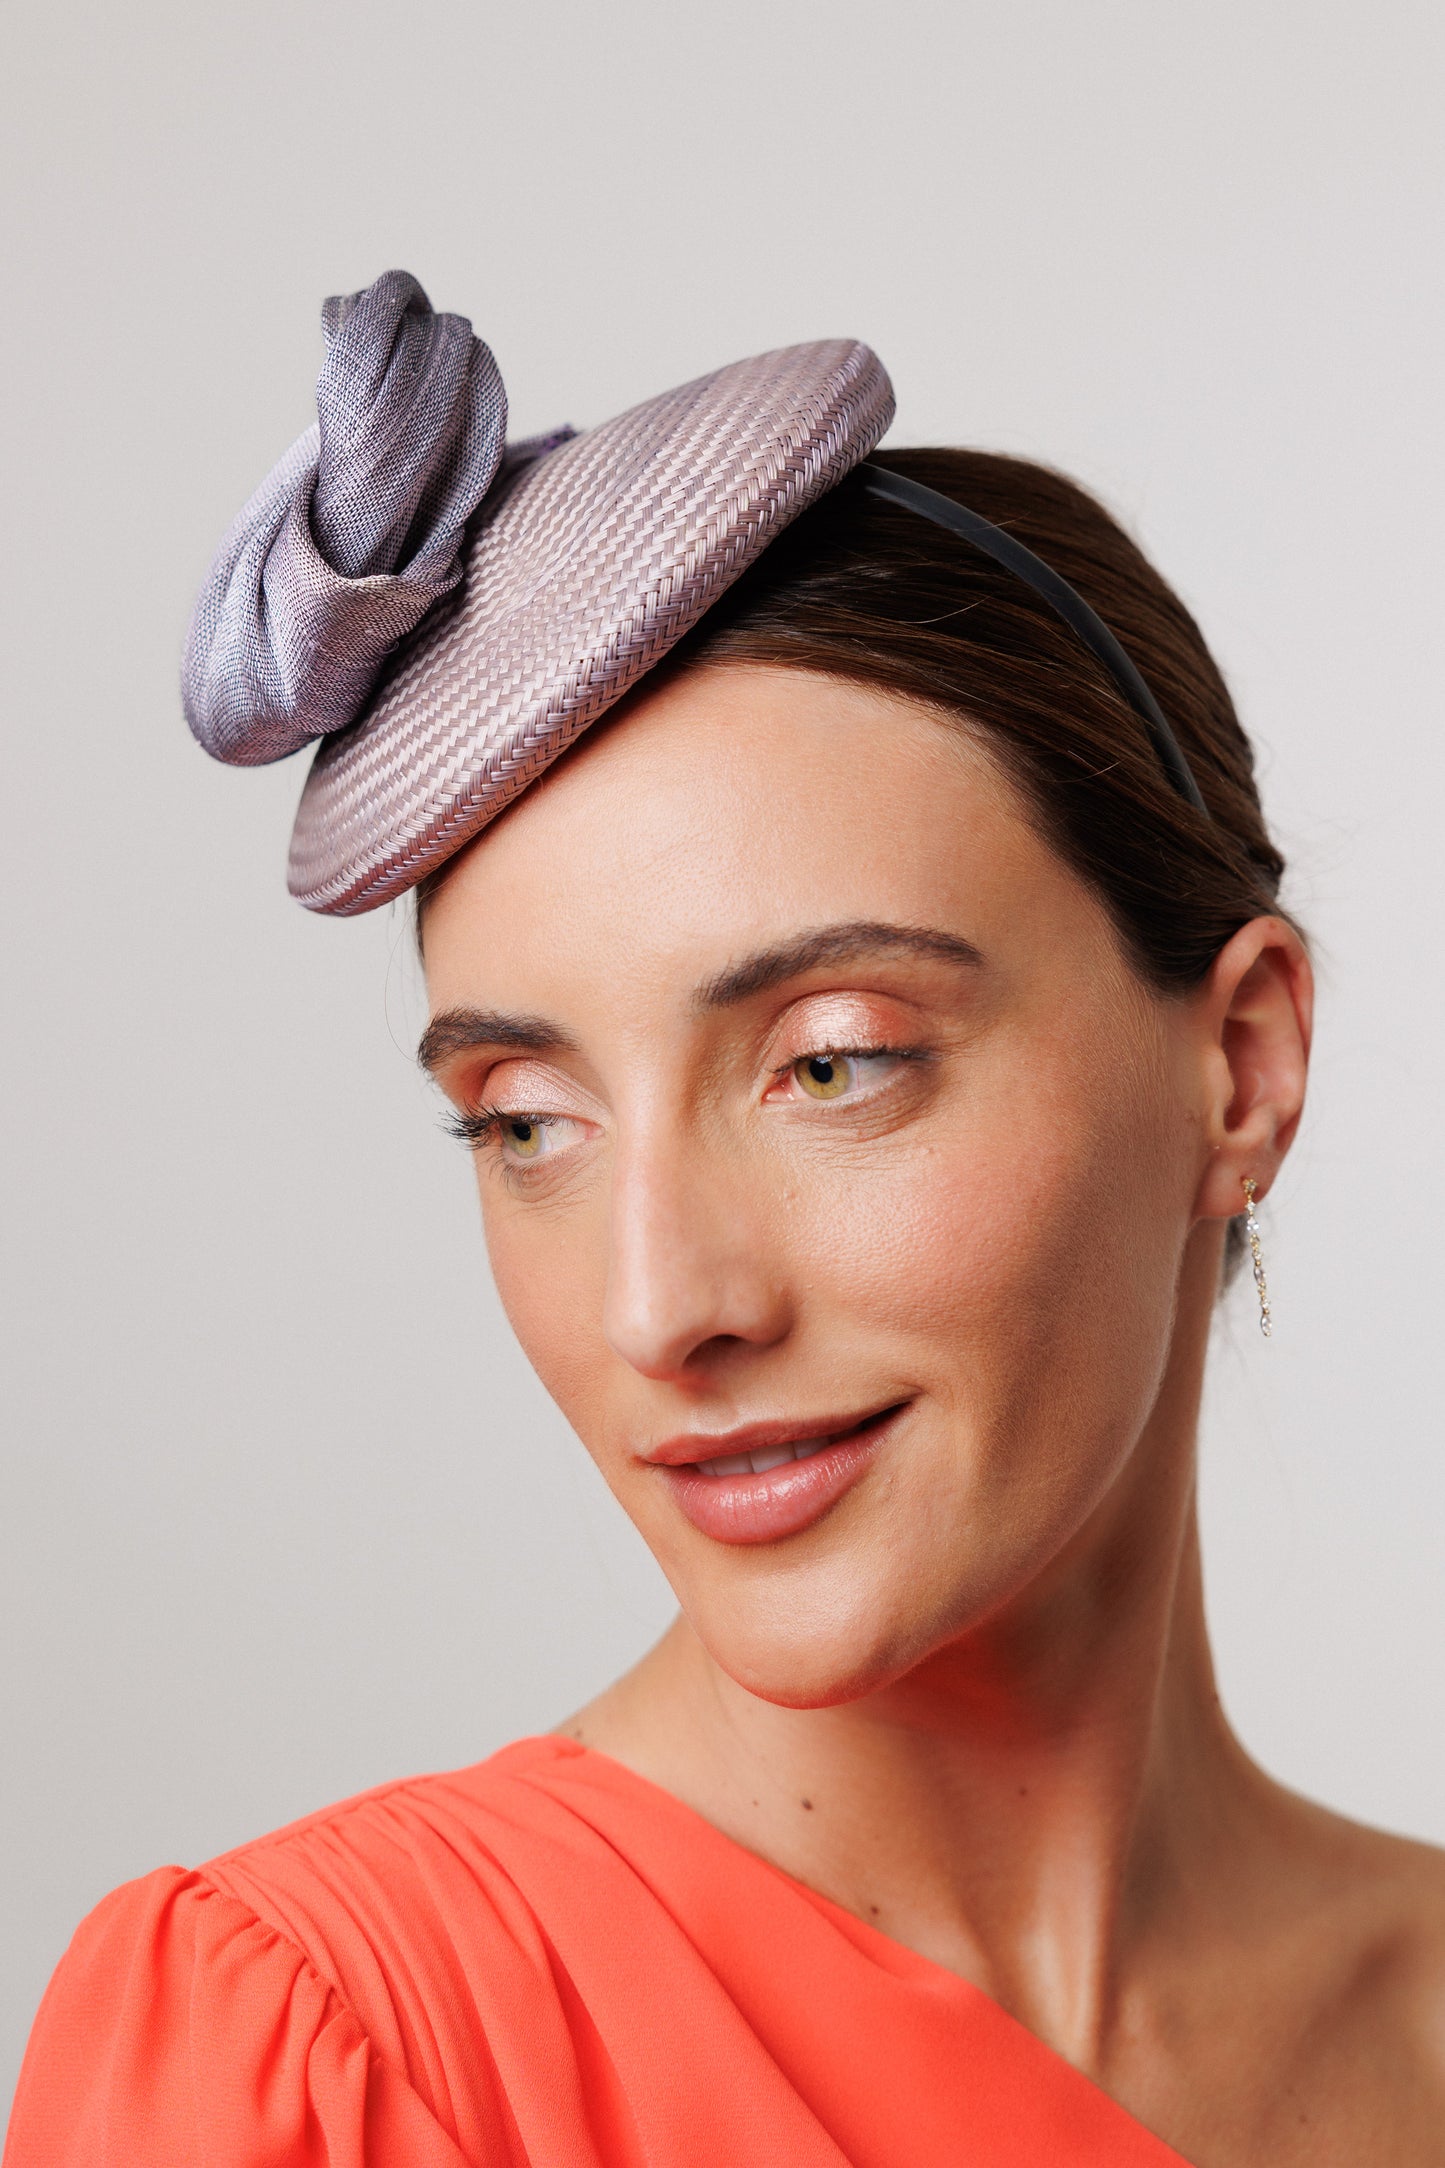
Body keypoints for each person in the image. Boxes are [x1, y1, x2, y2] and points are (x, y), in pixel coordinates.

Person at [6, 273, 1443, 2168]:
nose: (656, 1305)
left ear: (1239, 1068)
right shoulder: (325, 2053)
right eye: (526, 1122)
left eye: (831, 1065)